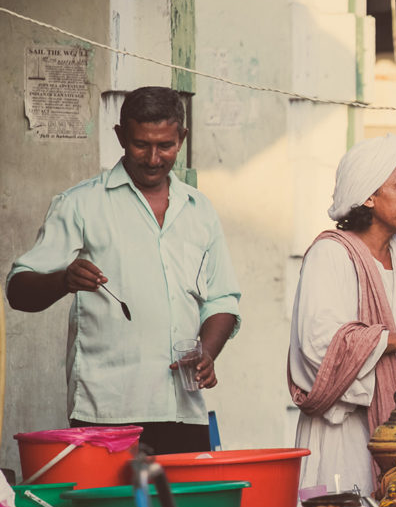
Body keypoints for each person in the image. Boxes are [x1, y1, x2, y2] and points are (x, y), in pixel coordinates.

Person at [6, 86, 241, 455]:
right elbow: (18, 290)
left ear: (182, 138)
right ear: (120, 137)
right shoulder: (81, 204)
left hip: (184, 409)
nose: (152, 158)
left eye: (165, 145)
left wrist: (207, 352)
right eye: (140, 144)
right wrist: (63, 279)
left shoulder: (199, 210)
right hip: (108, 412)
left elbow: (222, 298)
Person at [288, 133, 396, 507]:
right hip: (342, 441)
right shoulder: (330, 256)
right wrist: (394, 342)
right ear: (368, 195)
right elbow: (319, 349)